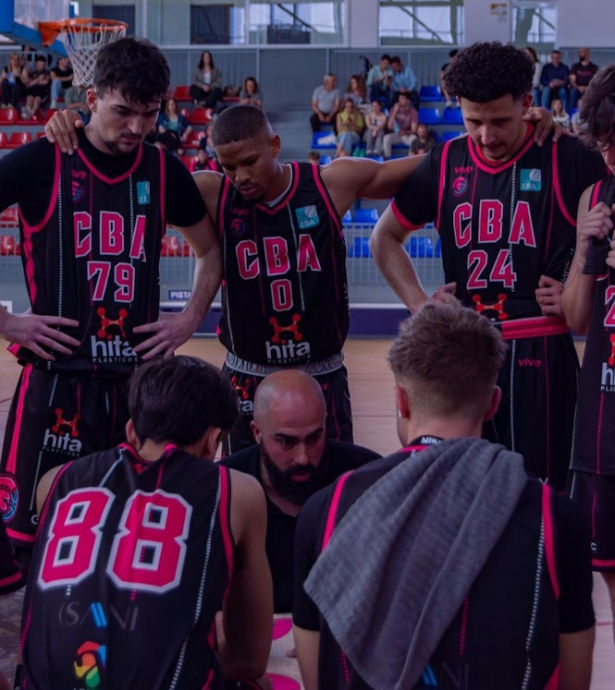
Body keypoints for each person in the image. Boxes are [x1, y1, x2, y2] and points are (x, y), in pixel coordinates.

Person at [45, 101, 559, 456]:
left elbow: (440, 163)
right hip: (246, 375)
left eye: (249, 161)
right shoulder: (208, 191)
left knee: (329, 494)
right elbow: (121, 167)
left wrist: (525, 130)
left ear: (274, 143)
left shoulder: (331, 183)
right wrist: (71, 124)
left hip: (322, 373)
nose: (241, 176)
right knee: (247, 495)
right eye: (229, 167)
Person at [293, 301, 595, 690]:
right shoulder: (558, 518)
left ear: (400, 399)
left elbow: (318, 679)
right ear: (492, 404)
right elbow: (574, 680)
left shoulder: (324, 511)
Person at [0, 37, 221, 558]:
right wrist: (7, 323)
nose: (137, 128)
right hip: (56, 380)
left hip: (137, 387)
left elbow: (210, 252)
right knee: (24, 548)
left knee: (131, 541)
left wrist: (189, 318)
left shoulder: (164, 171)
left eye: (149, 114)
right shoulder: (41, 161)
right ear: (91, 97)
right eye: (124, 111)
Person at [370, 41, 606, 491]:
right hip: (462, 353)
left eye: (500, 121)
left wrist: (578, 282)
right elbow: (385, 238)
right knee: (460, 491)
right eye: (473, 121)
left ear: (526, 104)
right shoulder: (445, 162)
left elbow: (603, 216)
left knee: (544, 496)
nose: (486, 135)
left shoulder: (566, 155)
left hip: (540, 349)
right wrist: (421, 306)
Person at [19, 355, 273, 689]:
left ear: (131, 432)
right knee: (257, 683)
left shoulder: (54, 481)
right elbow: (248, 658)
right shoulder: (238, 492)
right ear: (214, 441)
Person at [221, 369, 379, 613]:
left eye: (315, 437)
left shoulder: (366, 478)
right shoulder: (223, 488)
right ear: (256, 432)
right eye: (287, 442)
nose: (303, 458)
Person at [561, 64, 615, 652]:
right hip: (603, 422)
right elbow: (576, 317)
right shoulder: (595, 196)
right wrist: (585, 249)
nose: (610, 156)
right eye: (603, 145)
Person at [383, 93, 418, 159]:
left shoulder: (413, 112)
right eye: (399, 99)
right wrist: (395, 112)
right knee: (386, 138)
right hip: (396, 134)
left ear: (408, 101)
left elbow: (414, 130)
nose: (399, 101)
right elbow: (389, 127)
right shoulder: (393, 110)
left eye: (402, 99)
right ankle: (387, 160)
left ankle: (411, 160)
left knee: (414, 139)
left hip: (407, 135)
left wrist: (405, 133)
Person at [569, 47, 599, 112]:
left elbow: (596, 81)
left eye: (582, 52)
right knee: (573, 92)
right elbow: (572, 80)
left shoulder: (594, 67)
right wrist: (579, 87)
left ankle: (592, 113)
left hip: (589, 88)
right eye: (579, 52)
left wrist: (587, 87)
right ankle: (571, 113)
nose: (580, 54)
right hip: (577, 88)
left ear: (588, 53)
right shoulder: (575, 66)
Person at [21, 54, 50, 119]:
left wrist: (34, 81)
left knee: (37, 99)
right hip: (32, 90)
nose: (41, 67)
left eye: (43, 65)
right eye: (40, 65)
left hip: (42, 91)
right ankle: (28, 109)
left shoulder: (47, 72)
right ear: (36, 63)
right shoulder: (32, 73)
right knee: (29, 98)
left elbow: (45, 82)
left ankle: (32, 112)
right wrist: (38, 80)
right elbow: (29, 84)